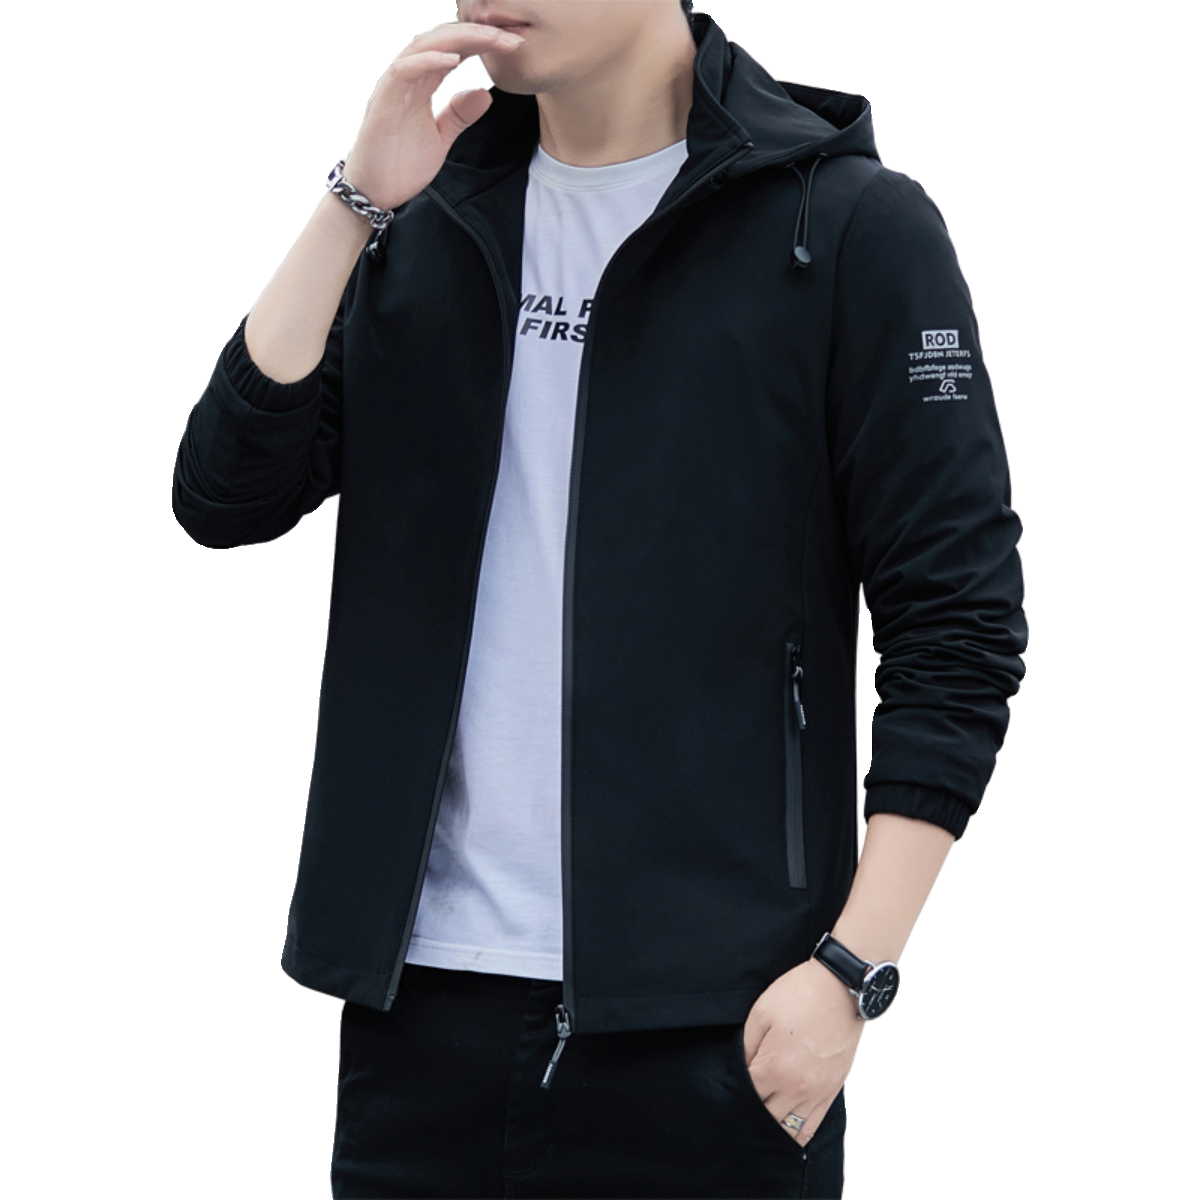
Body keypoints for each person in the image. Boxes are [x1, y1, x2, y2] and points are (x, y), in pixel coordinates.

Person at [172, 2, 1027, 1196]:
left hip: (719, 1030)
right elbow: (225, 494)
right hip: (422, 1017)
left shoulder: (842, 228)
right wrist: (355, 202)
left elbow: (958, 628)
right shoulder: (431, 216)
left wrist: (849, 970)